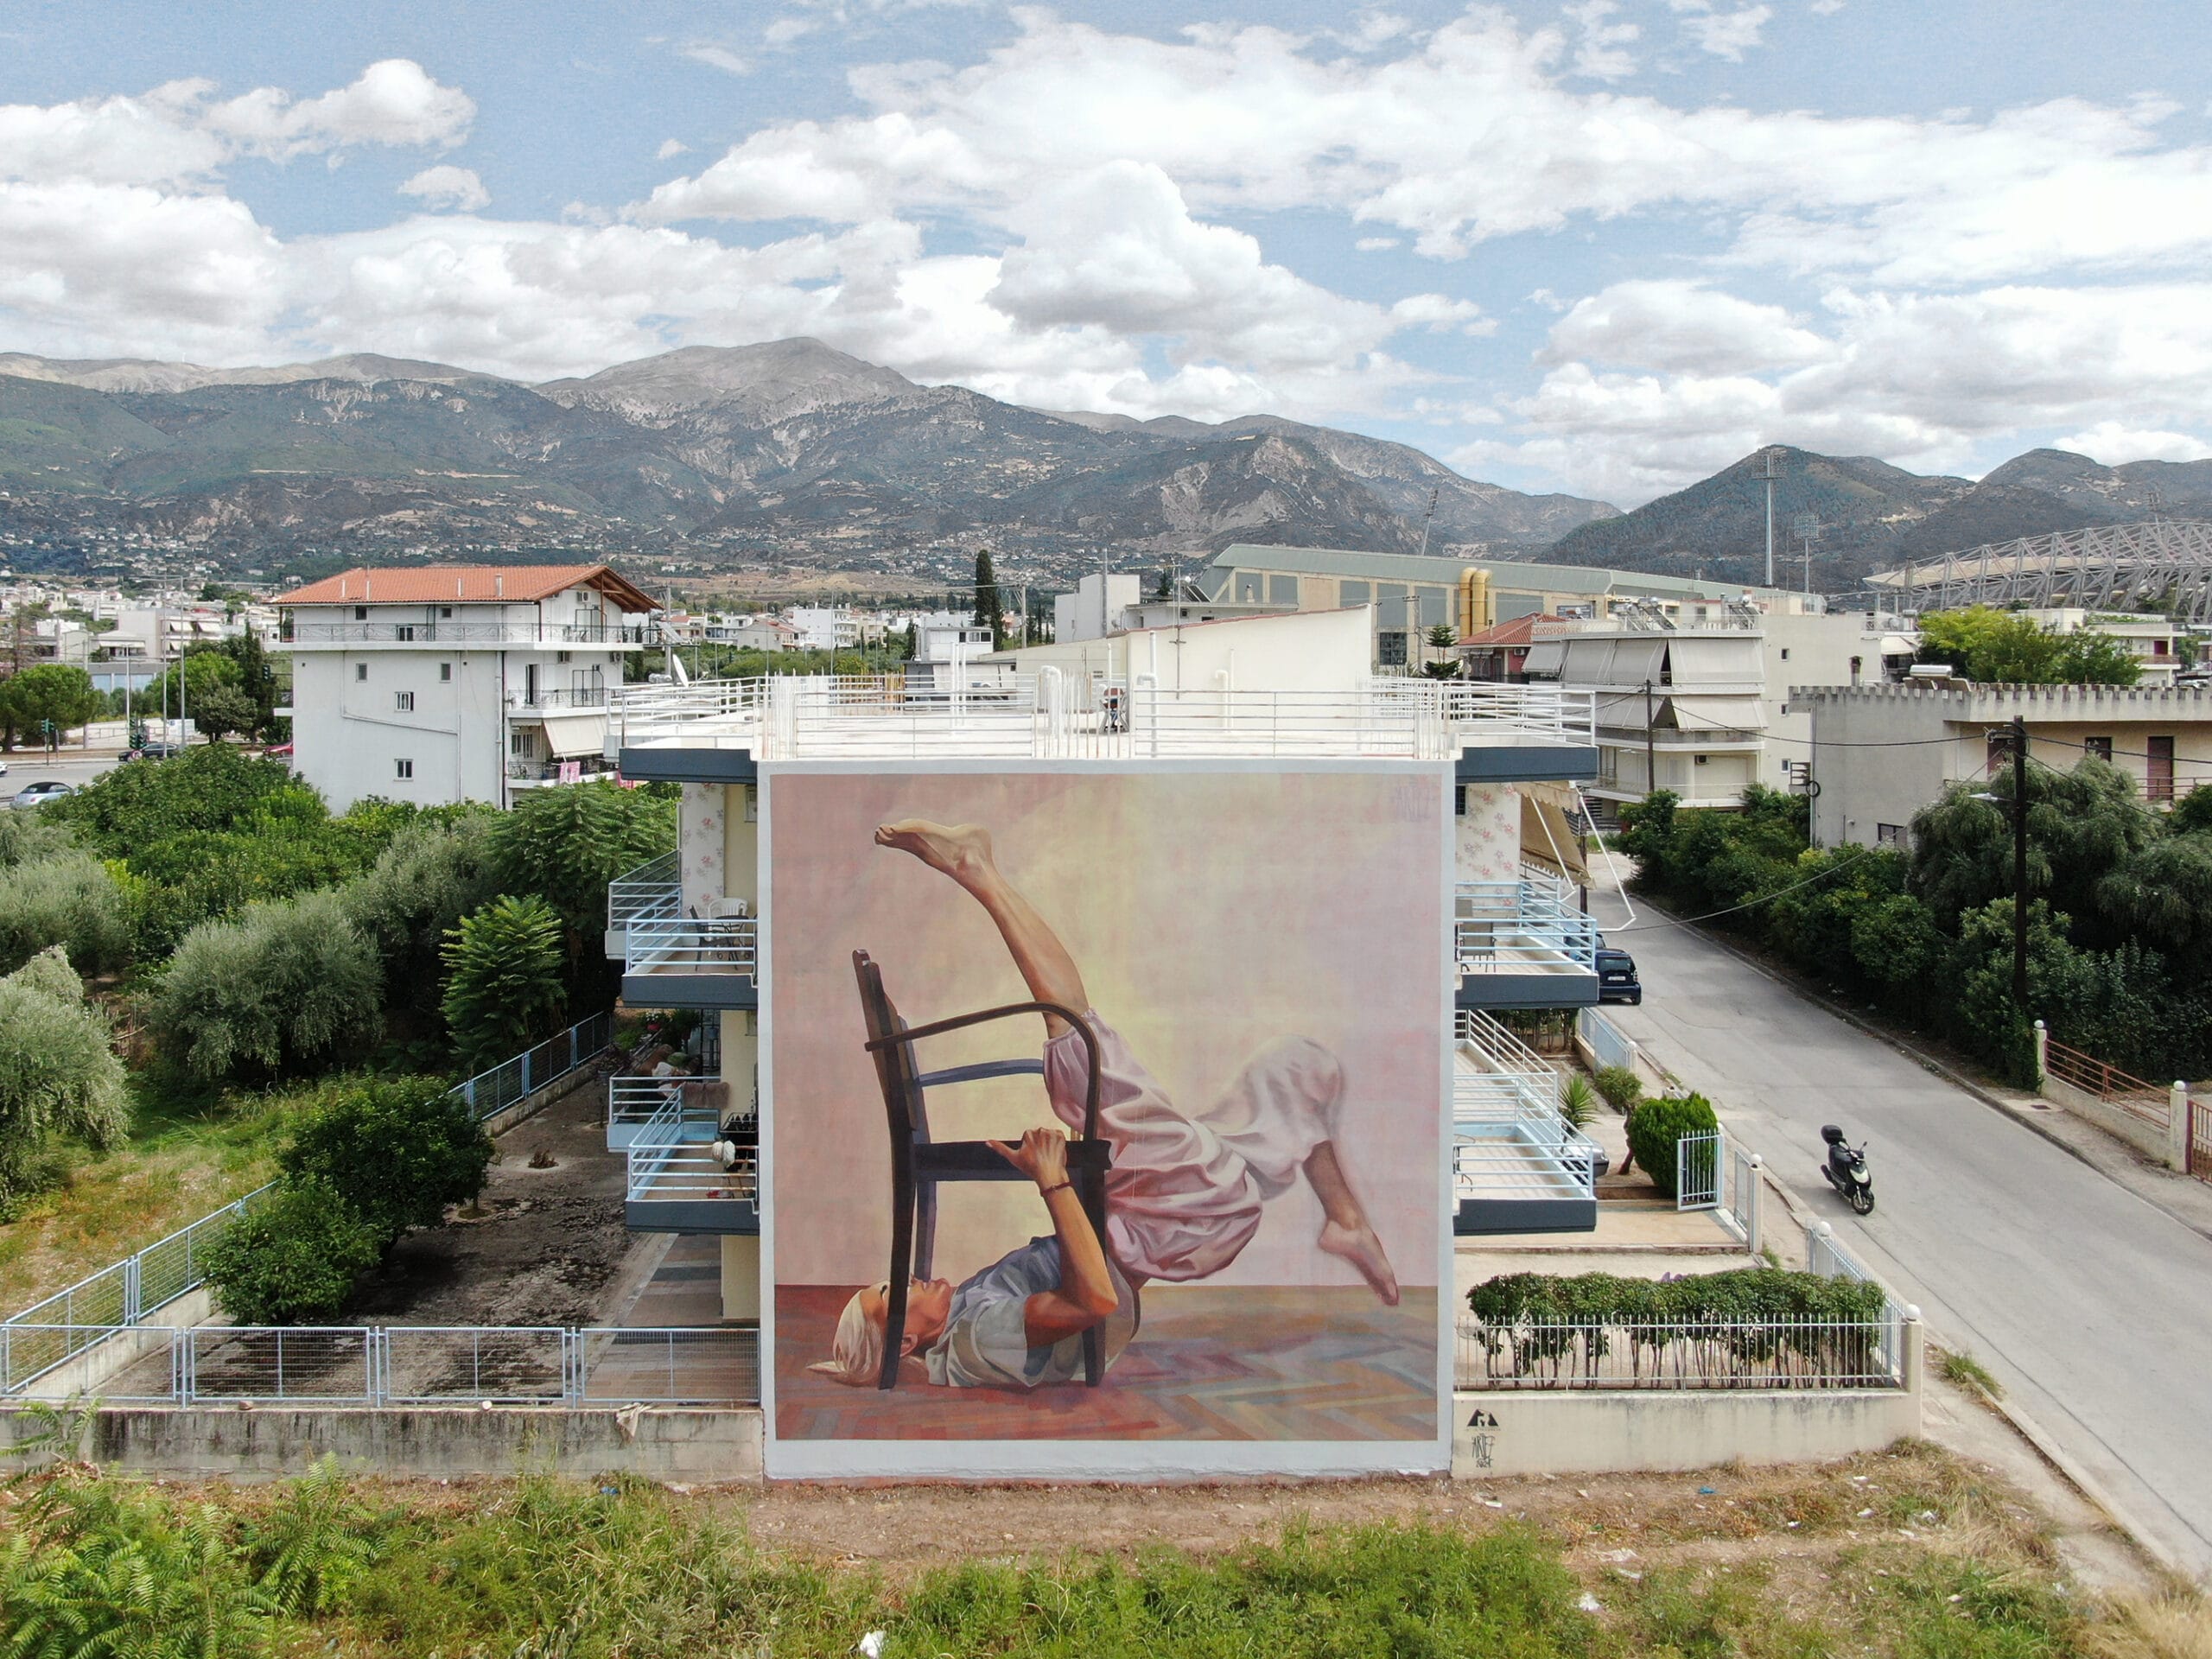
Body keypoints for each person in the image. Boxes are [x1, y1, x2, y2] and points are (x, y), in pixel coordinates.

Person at [810, 819, 1399, 1391]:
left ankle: (1345, 1222)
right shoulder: (977, 1338)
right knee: (1079, 1057)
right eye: (892, 1294)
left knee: (1291, 1065)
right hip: (1178, 1219)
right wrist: (1052, 1182)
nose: (904, 1279)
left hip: (1164, 1210)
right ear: (907, 1342)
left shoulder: (962, 1316)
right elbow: (1095, 1299)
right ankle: (978, 873)